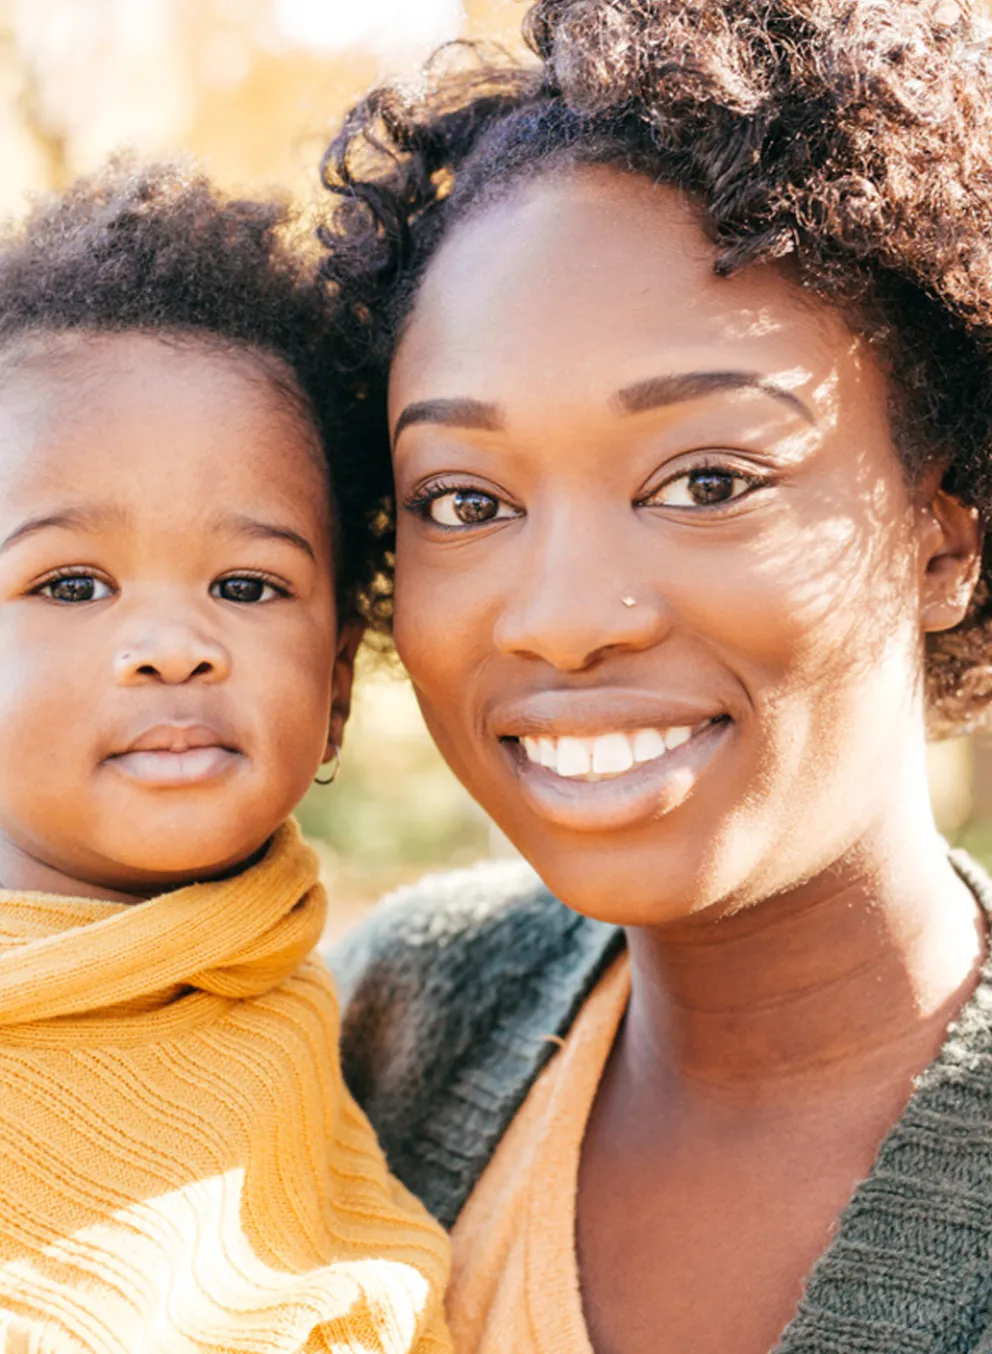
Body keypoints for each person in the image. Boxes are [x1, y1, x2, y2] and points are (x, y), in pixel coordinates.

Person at [322, 1, 992, 1350]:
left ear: (944, 531)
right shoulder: (372, 1034)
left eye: (704, 480)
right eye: (462, 499)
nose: (565, 622)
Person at [0, 162, 451, 1353]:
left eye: (246, 585)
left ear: (340, 683)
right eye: (69, 582)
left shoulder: (296, 1021)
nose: (170, 648)